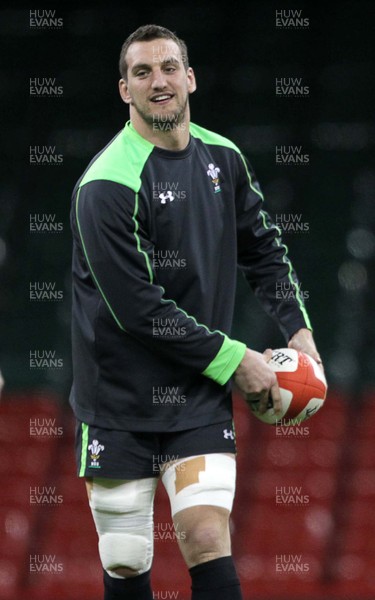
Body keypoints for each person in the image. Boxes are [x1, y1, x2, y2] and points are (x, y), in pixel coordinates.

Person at [69, 24, 323, 600]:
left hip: (196, 396)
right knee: (128, 559)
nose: (157, 81)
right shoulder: (105, 185)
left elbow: (263, 250)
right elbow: (138, 310)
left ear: (190, 78)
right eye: (141, 72)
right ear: (124, 90)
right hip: (118, 404)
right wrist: (237, 359)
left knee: (207, 539)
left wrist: (298, 330)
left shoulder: (223, 159)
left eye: (167, 68)